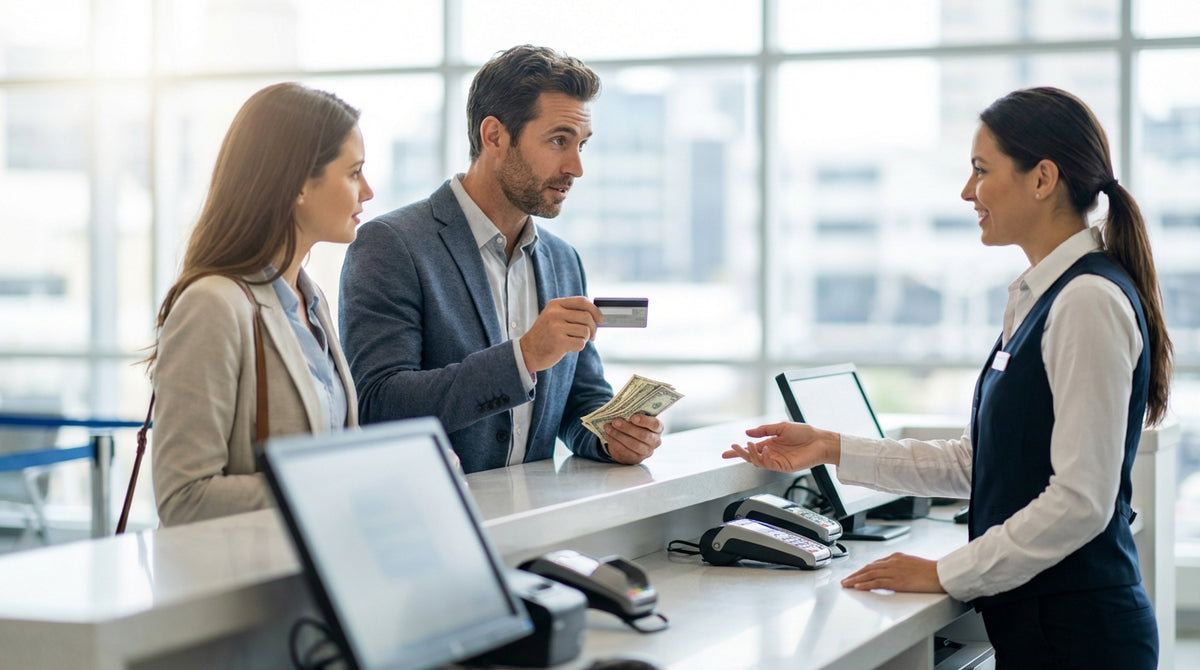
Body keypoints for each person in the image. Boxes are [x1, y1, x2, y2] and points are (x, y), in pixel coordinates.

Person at [724, 87, 1171, 669]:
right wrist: (831, 448)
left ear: (1042, 179)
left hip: (1079, 634)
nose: (967, 192)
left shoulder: (1086, 301)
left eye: (981, 171)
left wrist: (945, 573)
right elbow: (982, 462)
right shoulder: (1040, 296)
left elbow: (1082, 500)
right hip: (1045, 626)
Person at [339, 45, 663, 473]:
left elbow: (580, 399)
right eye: (558, 141)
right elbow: (379, 402)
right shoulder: (391, 245)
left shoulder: (563, 261)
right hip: (436, 522)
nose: (576, 166)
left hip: (535, 520)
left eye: (581, 144)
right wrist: (523, 358)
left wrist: (613, 436)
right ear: (494, 136)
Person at [149, 83, 373, 526]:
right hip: (246, 587)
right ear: (298, 186)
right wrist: (343, 482)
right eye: (354, 173)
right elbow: (183, 499)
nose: (367, 191)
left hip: (314, 583)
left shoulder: (313, 303)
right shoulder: (212, 305)